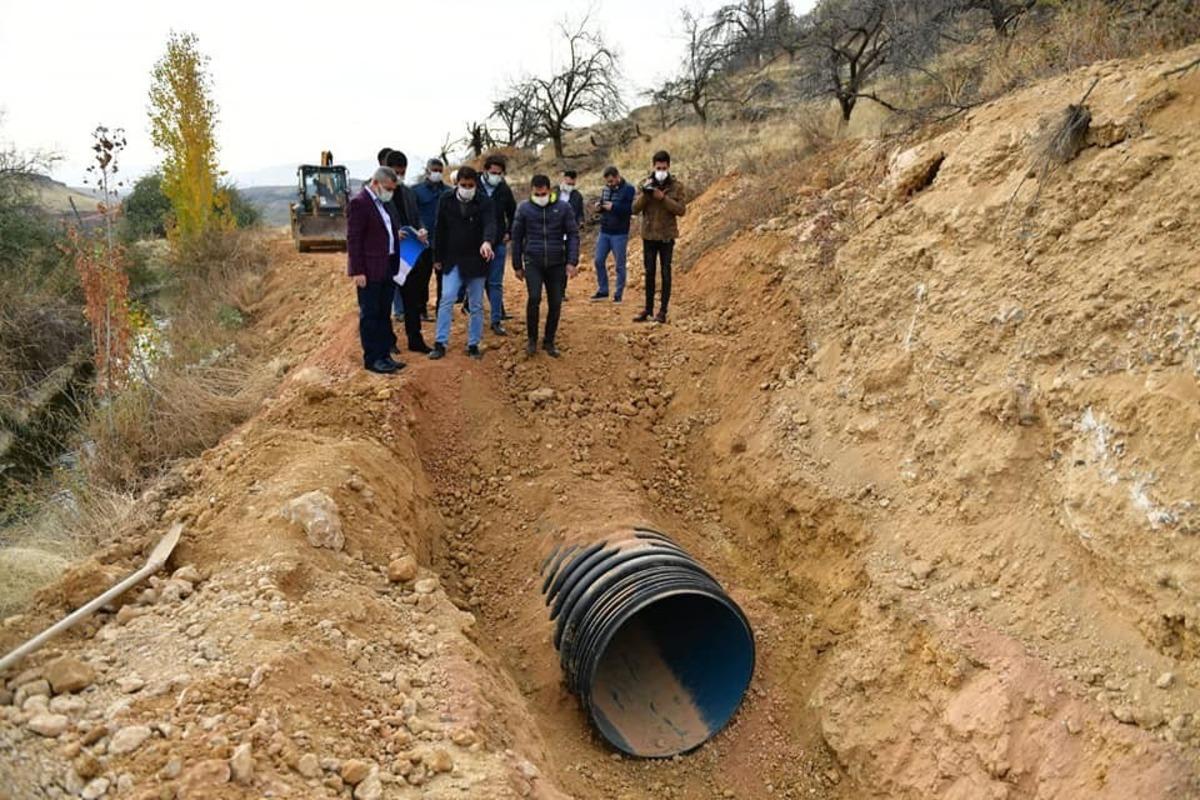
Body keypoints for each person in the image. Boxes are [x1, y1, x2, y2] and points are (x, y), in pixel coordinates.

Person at [430, 166, 497, 361]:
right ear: (456, 183)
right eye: (463, 185)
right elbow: (440, 228)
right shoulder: (446, 200)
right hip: (452, 259)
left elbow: (490, 224)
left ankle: (473, 344)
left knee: (475, 304)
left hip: (476, 259)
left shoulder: (485, 202)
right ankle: (440, 342)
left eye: (471, 185)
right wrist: (437, 257)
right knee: (447, 298)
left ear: (476, 184)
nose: (467, 188)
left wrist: (487, 241)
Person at [511, 175, 580, 358]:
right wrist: (517, 265)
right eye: (537, 194)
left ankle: (549, 340)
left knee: (556, 302)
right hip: (533, 261)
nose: (540, 197)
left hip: (557, 262)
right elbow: (516, 237)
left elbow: (573, 234)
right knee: (534, 298)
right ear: (531, 191)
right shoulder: (524, 208)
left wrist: (572, 261)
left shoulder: (563, 208)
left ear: (549, 190)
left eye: (543, 194)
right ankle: (532, 340)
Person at [347, 166, 404, 374]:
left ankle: (384, 355)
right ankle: (372, 359)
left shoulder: (382, 204)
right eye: (388, 188)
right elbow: (354, 239)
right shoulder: (359, 203)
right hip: (369, 269)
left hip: (386, 265)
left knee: (383, 313)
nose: (390, 193)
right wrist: (357, 270)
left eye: (393, 189)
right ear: (375, 183)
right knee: (370, 314)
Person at [383, 150, 432, 353]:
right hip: (387, 255)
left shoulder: (408, 193)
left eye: (402, 172)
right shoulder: (377, 193)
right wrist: (392, 234)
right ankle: (388, 342)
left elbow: (416, 217)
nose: (399, 176)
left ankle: (415, 339)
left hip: (409, 254)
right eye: (396, 172)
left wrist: (421, 229)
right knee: (385, 301)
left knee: (412, 299)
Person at [632, 150, 687, 324]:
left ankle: (663, 310)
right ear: (653, 166)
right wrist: (646, 194)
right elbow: (634, 209)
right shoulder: (645, 183)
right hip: (649, 235)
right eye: (658, 168)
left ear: (668, 167)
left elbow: (681, 210)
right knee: (649, 272)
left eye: (664, 168)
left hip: (666, 236)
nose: (661, 171)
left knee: (665, 272)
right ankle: (648, 309)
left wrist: (663, 198)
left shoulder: (677, 186)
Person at [479, 154, 517, 336]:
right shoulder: (472, 185)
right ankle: (475, 317)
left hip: (498, 242)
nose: (496, 176)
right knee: (477, 281)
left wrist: (509, 232)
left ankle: (496, 320)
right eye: (493, 172)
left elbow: (513, 213)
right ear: (485, 170)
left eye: (499, 173)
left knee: (495, 282)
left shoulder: (503, 189)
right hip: (475, 242)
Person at [590, 165, 636, 303]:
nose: (609, 184)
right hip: (605, 230)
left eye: (611, 181)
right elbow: (604, 206)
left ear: (617, 177)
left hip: (620, 233)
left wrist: (614, 207)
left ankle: (618, 294)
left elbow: (630, 209)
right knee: (598, 260)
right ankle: (603, 290)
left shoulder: (629, 189)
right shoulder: (605, 189)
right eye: (607, 182)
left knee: (619, 265)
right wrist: (599, 207)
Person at [413, 158, 449, 319]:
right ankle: (421, 309)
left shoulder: (448, 191)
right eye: (434, 170)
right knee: (422, 276)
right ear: (427, 171)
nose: (437, 173)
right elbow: (414, 214)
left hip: (443, 241)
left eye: (440, 171)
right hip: (424, 241)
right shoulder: (416, 191)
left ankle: (442, 309)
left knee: (443, 277)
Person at [557, 170, 584, 302]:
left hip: (568, 232)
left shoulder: (577, 196)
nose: (570, 186)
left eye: (572, 184)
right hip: (553, 233)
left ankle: (561, 291)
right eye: (568, 183)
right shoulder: (553, 192)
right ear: (563, 179)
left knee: (564, 261)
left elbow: (580, 213)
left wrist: (580, 222)